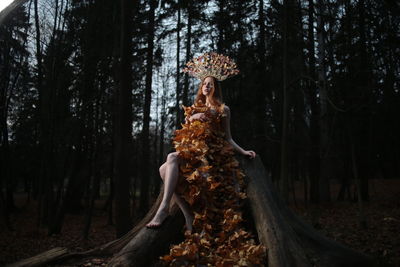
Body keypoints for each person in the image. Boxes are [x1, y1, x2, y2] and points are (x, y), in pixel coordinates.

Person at [146, 52, 266, 266]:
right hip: (193, 153)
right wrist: (193, 117)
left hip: (211, 158)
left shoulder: (223, 109)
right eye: (204, 84)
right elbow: (188, 134)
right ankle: (186, 216)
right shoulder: (193, 109)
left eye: (211, 84)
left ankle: (164, 209)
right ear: (201, 87)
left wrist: (243, 151)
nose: (207, 87)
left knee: (169, 161)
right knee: (164, 169)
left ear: (216, 88)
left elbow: (228, 138)